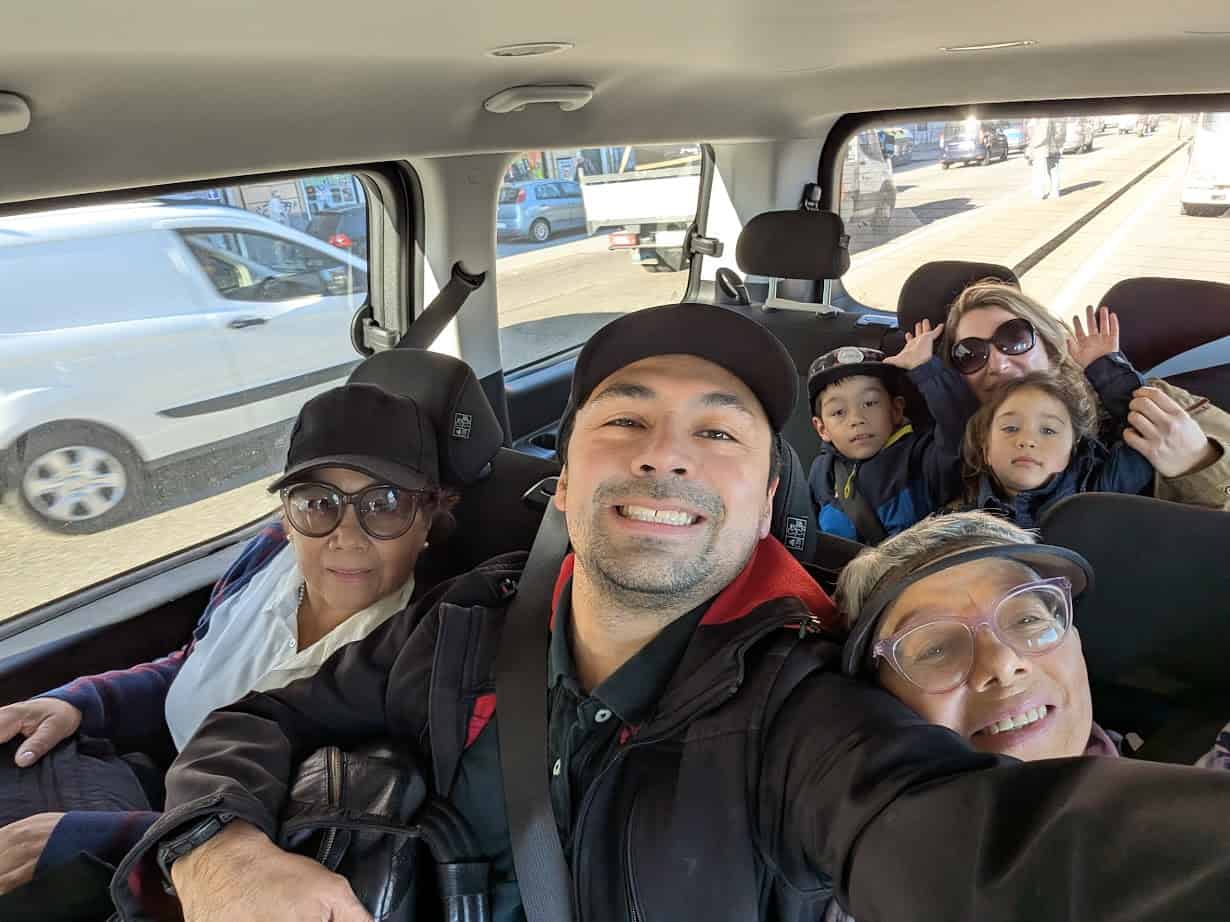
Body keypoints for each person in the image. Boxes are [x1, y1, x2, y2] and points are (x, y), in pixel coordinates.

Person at [111, 302, 1230, 922]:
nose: (664, 455)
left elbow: (999, 853)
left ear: (764, 504)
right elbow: (256, 722)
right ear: (566, 474)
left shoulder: (808, 708)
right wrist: (214, 846)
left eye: (720, 433)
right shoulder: (461, 619)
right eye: (624, 419)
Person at [0, 383, 457, 900]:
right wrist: (82, 703)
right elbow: (196, 663)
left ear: (429, 519)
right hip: (133, 785)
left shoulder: (423, 653)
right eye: (316, 502)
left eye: (385, 504)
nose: (346, 534)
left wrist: (99, 838)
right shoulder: (267, 559)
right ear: (286, 516)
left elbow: (299, 855)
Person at [827, 510, 1230, 921]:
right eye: (935, 649)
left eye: (1027, 619)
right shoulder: (858, 891)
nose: (1003, 663)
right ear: (878, 703)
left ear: (1076, 643)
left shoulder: (1209, 765)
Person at [942, 280, 1230, 509]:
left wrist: (1199, 464)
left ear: (1051, 347)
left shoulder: (1154, 404)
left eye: (1013, 338)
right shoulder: (959, 447)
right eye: (970, 354)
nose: (997, 364)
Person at [805, 324, 967, 543]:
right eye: (839, 412)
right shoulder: (822, 473)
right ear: (822, 428)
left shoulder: (920, 458)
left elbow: (959, 429)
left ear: (896, 410)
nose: (856, 419)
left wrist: (925, 368)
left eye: (870, 403)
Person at [959, 371, 1154, 527]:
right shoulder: (965, 524)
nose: (1027, 440)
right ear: (986, 450)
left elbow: (1148, 432)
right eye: (1011, 428)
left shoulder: (1101, 491)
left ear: (1073, 447)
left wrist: (1104, 368)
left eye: (1048, 430)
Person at [1025, 117, 1062, 199]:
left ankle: (1041, 193)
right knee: (1047, 171)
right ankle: (1051, 192)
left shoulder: (1044, 120)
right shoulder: (1039, 119)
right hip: (1046, 148)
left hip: (1043, 149)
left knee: (1041, 172)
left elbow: (1042, 136)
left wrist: (1032, 146)